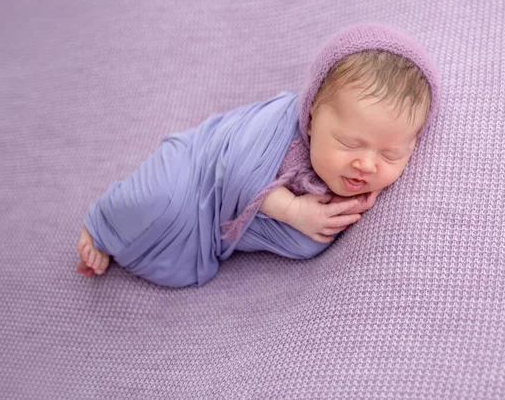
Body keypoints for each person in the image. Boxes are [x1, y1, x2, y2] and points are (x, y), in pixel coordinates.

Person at [76, 23, 440, 287]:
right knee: (157, 199)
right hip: (198, 164)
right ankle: (102, 224)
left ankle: (125, 238)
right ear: (311, 117)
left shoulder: (361, 181)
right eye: (348, 143)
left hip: (218, 226)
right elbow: (234, 169)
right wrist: (293, 210)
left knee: (305, 242)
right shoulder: (276, 124)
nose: (367, 164)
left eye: (391, 154)